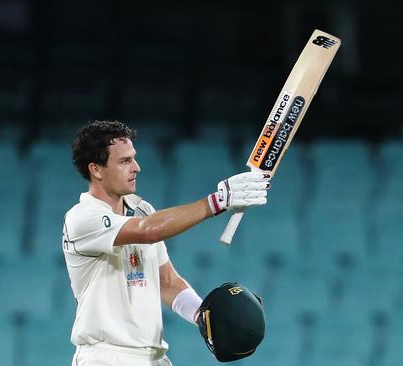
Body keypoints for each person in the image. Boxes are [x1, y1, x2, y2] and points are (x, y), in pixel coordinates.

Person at [62, 120, 271, 366]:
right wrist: (217, 202)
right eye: (124, 161)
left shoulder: (142, 210)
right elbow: (148, 231)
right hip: (106, 357)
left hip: (154, 357)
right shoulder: (82, 217)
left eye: (134, 158)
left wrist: (201, 316)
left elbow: (167, 282)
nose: (136, 167)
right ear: (96, 170)